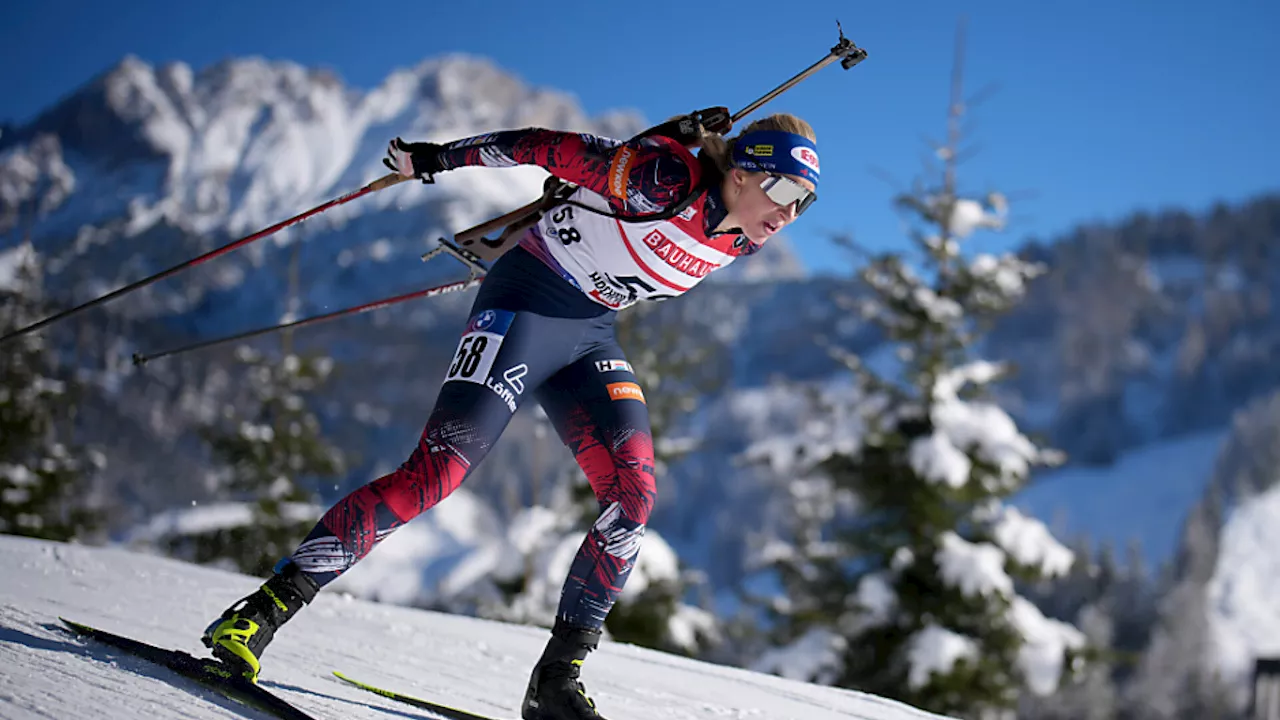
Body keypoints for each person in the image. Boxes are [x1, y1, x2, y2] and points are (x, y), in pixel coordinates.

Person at [200, 110, 820, 720]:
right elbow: (541, 145)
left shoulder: (742, 236)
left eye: (806, 203)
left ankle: (556, 683)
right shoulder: (659, 177)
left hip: (590, 336)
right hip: (526, 304)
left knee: (633, 499)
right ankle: (258, 614)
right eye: (785, 190)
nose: (790, 214)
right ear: (741, 173)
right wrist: (434, 159)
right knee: (437, 473)